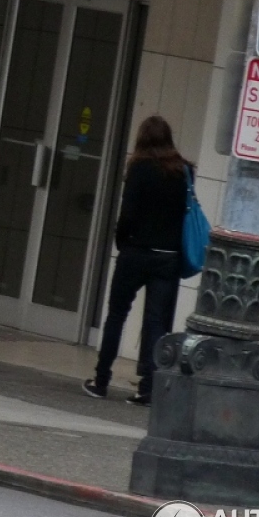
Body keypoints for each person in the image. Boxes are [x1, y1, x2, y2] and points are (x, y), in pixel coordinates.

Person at [83, 115, 188, 406]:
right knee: (156, 323)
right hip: (168, 258)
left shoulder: (139, 168)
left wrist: (123, 242)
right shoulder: (183, 171)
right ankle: (148, 388)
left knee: (117, 315)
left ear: (142, 139)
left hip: (136, 253)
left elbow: (127, 214)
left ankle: (101, 381)